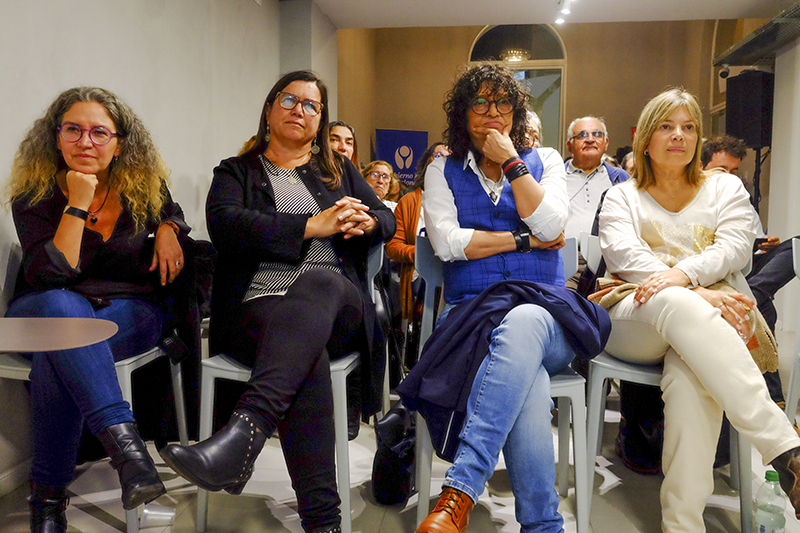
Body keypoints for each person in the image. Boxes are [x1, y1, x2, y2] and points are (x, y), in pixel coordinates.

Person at [159, 70, 395, 533]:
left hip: (337, 305)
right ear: (269, 109)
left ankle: (243, 434)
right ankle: (323, 523)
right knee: (305, 357)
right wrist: (311, 226)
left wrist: (368, 223)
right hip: (259, 306)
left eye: (311, 105)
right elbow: (226, 227)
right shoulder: (235, 172)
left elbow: (386, 218)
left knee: (319, 282)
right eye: (289, 100)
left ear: (320, 120)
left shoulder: (338, 170)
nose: (298, 110)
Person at [397, 64, 610, 533]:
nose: (492, 112)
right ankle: (543, 526)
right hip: (471, 318)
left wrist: (513, 162)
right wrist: (523, 241)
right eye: (480, 102)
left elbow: (552, 225)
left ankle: (459, 492)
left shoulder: (545, 160)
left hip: (548, 317)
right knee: (527, 379)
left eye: (503, 102)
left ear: (516, 112)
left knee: (526, 320)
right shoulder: (441, 168)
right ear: (462, 112)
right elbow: (447, 243)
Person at [597, 87, 800, 531]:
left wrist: (683, 277)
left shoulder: (724, 187)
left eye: (689, 127)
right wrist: (696, 288)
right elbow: (625, 258)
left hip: (700, 327)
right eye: (666, 126)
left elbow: (736, 248)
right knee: (672, 300)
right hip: (633, 316)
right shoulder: (622, 196)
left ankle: (682, 525)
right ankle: (786, 448)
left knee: (693, 379)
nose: (679, 135)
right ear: (645, 138)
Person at [4, 86, 191, 532]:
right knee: (63, 311)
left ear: (119, 144)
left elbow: (174, 211)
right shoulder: (33, 195)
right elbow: (53, 274)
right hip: (44, 308)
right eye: (73, 130)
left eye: (99, 132)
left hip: (128, 311)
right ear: (56, 137)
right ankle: (129, 453)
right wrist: (77, 202)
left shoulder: (143, 188)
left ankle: (48, 501)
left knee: (58, 352)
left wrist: (169, 228)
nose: (85, 142)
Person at [386, 142, 450, 325]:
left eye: (450, 157)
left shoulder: (461, 201)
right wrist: (422, 254)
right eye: (438, 155)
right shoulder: (408, 201)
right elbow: (393, 247)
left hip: (451, 279)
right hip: (418, 281)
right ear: (427, 163)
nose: (444, 160)